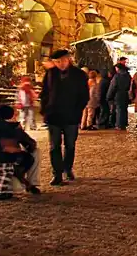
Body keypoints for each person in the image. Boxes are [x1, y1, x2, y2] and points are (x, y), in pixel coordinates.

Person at [39, 49, 89, 186]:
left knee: (70, 145)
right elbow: (44, 93)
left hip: (71, 116)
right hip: (53, 116)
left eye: (63, 60)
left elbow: (84, 96)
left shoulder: (79, 75)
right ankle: (57, 173)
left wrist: (77, 111)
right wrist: (45, 109)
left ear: (68, 60)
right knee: (54, 146)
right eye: (57, 61)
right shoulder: (50, 73)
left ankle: (68, 168)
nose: (61, 64)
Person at [0, 105, 41, 199]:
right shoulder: (12, 130)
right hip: (7, 160)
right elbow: (31, 145)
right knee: (4, 174)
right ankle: (1, 192)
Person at [107, 58, 132, 131]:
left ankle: (119, 125)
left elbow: (113, 87)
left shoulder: (117, 76)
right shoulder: (128, 75)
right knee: (124, 109)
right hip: (126, 94)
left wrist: (108, 96)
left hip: (118, 94)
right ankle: (124, 123)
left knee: (119, 110)